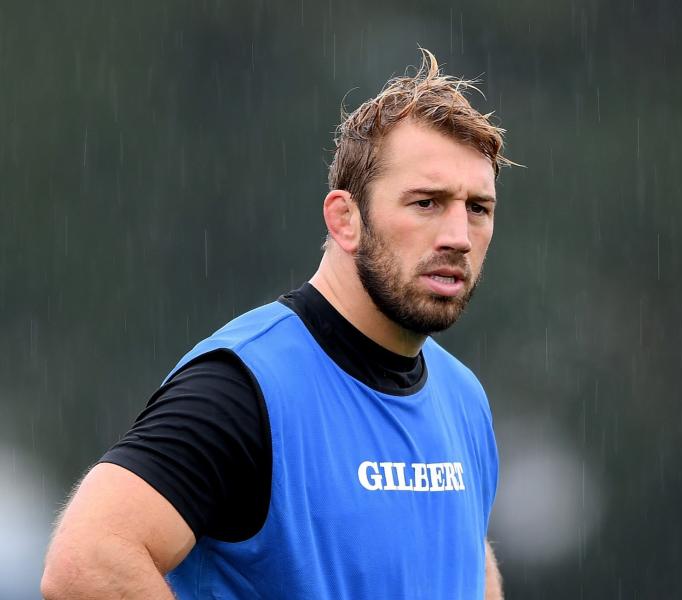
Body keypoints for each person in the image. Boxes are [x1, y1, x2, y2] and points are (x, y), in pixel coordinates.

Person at [41, 49, 509, 599]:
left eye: (477, 207)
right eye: (427, 202)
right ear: (345, 219)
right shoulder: (245, 386)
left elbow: (467, 563)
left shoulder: (464, 399)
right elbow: (87, 562)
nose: (458, 234)